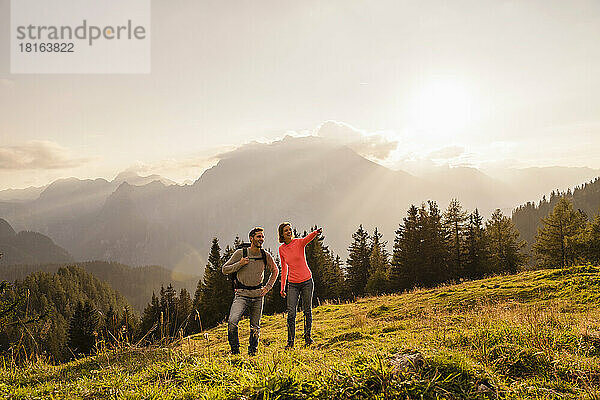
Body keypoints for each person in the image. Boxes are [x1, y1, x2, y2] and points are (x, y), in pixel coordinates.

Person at [222, 227, 278, 355]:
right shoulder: (240, 253)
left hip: (258, 295)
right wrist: (239, 264)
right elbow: (224, 269)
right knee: (232, 321)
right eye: (258, 236)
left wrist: (268, 287)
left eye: (262, 237)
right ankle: (235, 351)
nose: (261, 239)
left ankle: (253, 352)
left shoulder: (265, 255)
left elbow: (275, 270)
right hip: (241, 295)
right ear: (251, 238)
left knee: (255, 327)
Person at [278, 223, 322, 348]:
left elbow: (307, 238)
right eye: (286, 230)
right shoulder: (282, 249)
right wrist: (283, 287)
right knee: (291, 313)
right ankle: (290, 342)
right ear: (281, 233)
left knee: (307, 310)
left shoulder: (299, 243)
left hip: (307, 281)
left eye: (290, 230)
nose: (289, 232)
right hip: (292, 284)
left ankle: (308, 338)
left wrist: (315, 233)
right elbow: (284, 268)